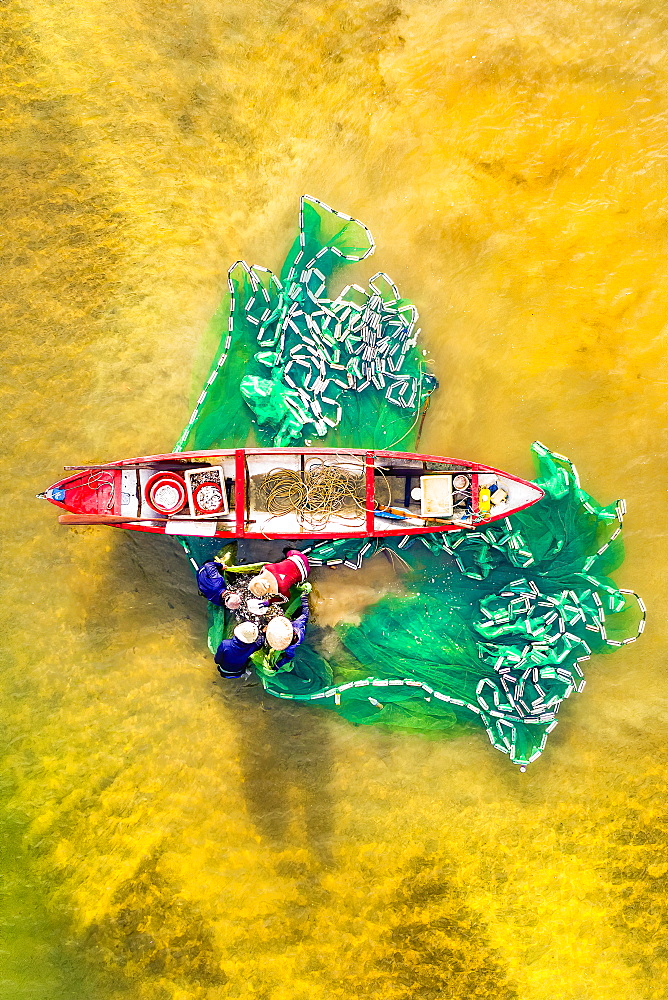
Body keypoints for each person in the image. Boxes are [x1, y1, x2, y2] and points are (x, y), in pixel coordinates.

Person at [264, 585, 311, 669]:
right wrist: (304, 599)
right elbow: (305, 613)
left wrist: (277, 665)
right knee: (299, 614)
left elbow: (288, 657)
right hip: (302, 628)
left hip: (300, 629)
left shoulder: (289, 649)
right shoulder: (298, 624)